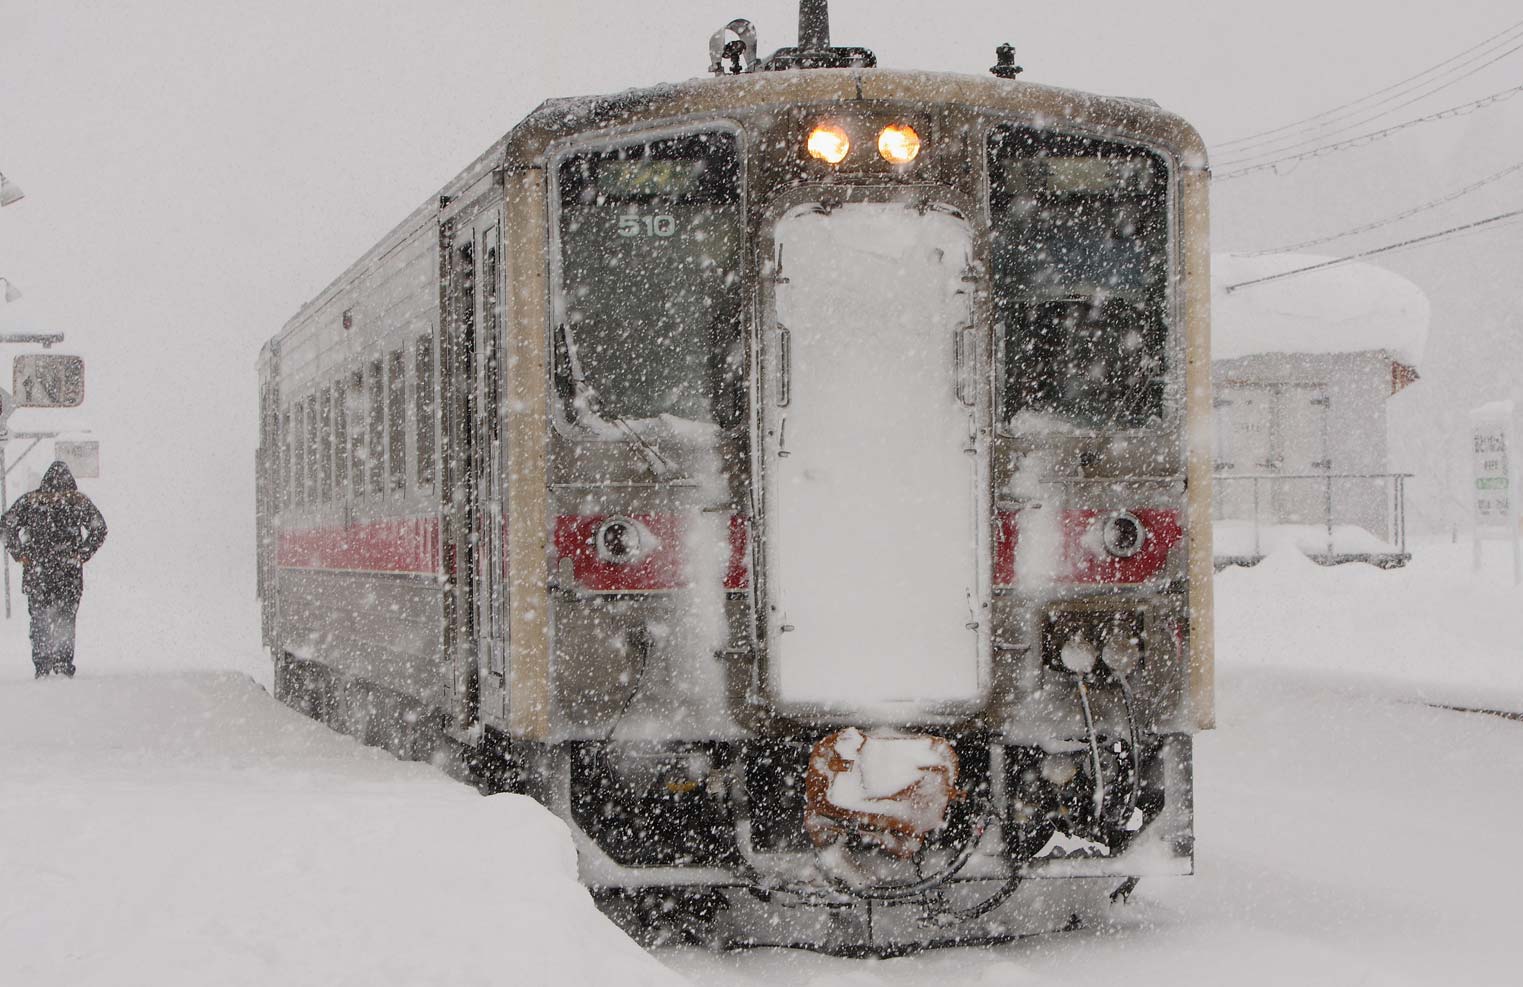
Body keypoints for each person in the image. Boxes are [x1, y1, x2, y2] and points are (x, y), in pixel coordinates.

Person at [1, 461, 108, 678]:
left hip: (37, 573)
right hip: (69, 573)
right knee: (66, 618)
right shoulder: (77, 501)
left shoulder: (30, 501)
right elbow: (100, 528)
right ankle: (63, 662)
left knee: (39, 617)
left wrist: (20, 553)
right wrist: (82, 553)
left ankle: (42, 664)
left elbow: (6, 525)